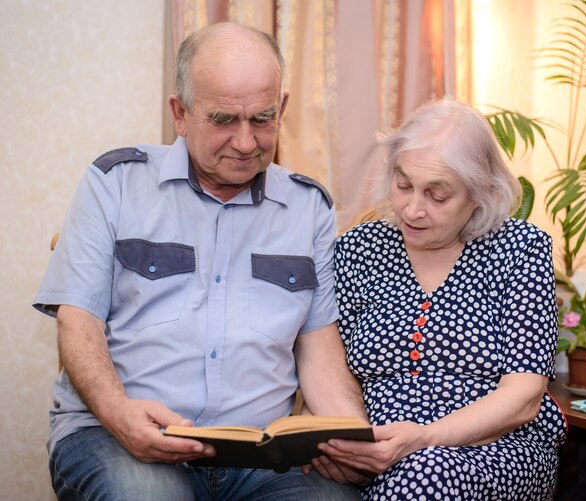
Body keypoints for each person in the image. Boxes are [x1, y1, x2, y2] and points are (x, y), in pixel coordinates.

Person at [34, 22, 367, 500]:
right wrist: (119, 413)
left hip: (261, 459)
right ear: (181, 113)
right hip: (116, 435)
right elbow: (77, 322)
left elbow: (318, 346)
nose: (247, 142)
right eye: (224, 120)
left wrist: (349, 436)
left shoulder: (310, 207)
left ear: (283, 109)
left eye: (262, 118)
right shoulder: (115, 183)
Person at [318, 100, 568, 500]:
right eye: (404, 186)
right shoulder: (358, 249)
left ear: (478, 195)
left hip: (492, 447)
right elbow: (329, 364)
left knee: (423, 473)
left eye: (438, 195)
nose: (413, 209)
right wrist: (350, 443)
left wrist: (425, 438)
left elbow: (523, 395)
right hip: (375, 451)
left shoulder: (521, 250)